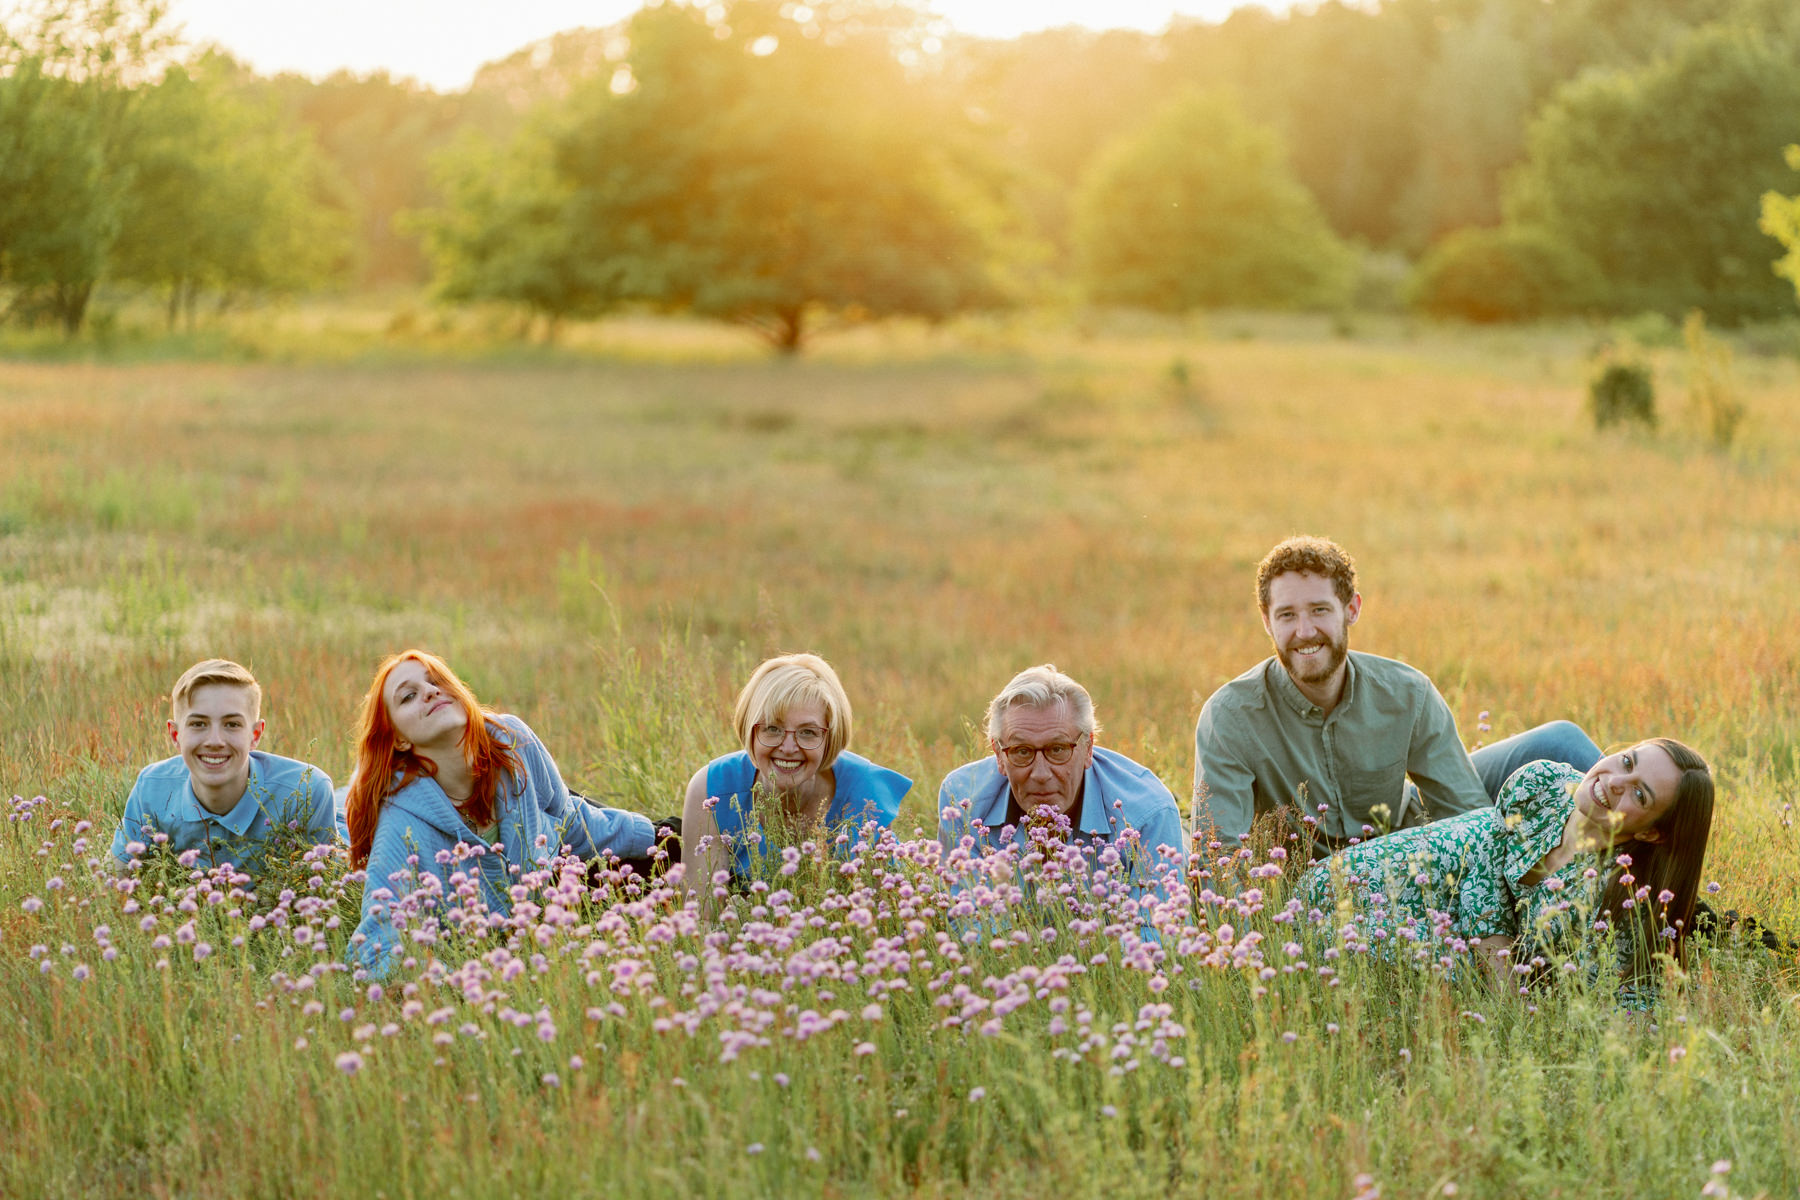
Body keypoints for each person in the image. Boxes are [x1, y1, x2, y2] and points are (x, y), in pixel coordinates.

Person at [1193, 535, 1603, 855]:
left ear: (1351, 609)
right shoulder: (1231, 717)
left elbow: (1468, 818)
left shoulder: (1407, 692)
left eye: (1320, 610)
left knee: (1561, 743)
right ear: (1266, 621)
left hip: (1412, 844)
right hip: (1317, 887)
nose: (1304, 631)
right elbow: (1219, 856)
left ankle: (1650, 869)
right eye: (1287, 615)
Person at [1294, 739, 1715, 1009]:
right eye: (1627, 761)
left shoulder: (1617, 900)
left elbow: (1621, 1003)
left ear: (1651, 832)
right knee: (1316, 891)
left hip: (1466, 942)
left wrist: (1508, 988)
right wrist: (1502, 973)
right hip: (1441, 868)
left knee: (1335, 947)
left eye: (1639, 793)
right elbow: (1483, 860)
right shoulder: (1541, 781)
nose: (1615, 781)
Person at [345, 649, 654, 977]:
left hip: (551, 877)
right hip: (511, 938)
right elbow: (375, 944)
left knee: (668, 861)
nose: (430, 691)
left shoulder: (511, 741)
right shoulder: (402, 825)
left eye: (436, 681)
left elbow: (570, 821)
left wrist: (652, 837)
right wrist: (452, 979)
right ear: (400, 740)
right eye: (408, 696)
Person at [938, 665, 1187, 929]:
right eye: (1022, 751)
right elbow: (969, 927)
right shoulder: (963, 800)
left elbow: (1157, 938)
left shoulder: (1149, 812)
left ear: (1088, 747)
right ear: (999, 755)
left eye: (1058, 749)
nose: (1041, 774)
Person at [680, 653, 911, 899]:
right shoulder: (713, 789)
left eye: (808, 732)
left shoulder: (865, 795)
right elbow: (702, 919)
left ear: (830, 738)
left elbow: (881, 921)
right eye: (772, 728)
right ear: (749, 729)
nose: (788, 747)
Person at [109, 658, 339, 880]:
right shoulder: (151, 789)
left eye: (232, 724)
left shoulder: (307, 791)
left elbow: (325, 888)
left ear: (255, 734)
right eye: (198, 724)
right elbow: (114, 881)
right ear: (175, 735)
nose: (215, 740)